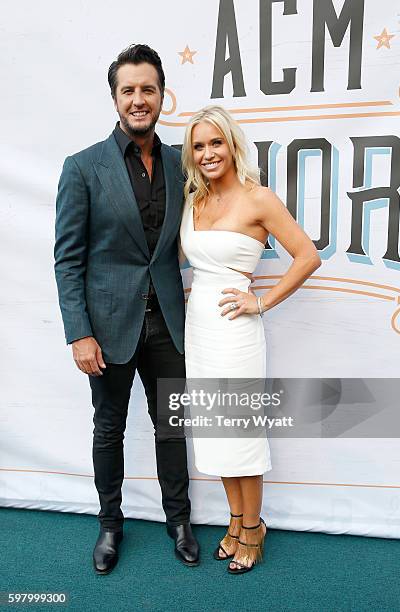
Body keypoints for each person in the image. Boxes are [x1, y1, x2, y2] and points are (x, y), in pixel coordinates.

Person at [54, 44, 199, 574]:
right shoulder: (83, 167)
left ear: (163, 96)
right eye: (129, 90)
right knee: (107, 429)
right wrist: (79, 333)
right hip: (108, 329)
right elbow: (67, 261)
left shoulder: (183, 163)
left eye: (149, 89)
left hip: (168, 323)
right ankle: (110, 526)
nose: (139, 99)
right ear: (115, 97)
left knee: (171, 428)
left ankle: (179, 522)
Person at [180, 105, 321, 574]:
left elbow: (307, 257)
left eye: (215, 142)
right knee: (215, 429)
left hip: (236, 333)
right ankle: (236, 521)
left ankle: (255, 526)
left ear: (232, 145)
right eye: (198, 146)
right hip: (199, 328)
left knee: (239, 429)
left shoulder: (259, 199)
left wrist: (259, 302)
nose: (207, 153)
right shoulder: (193, 199)